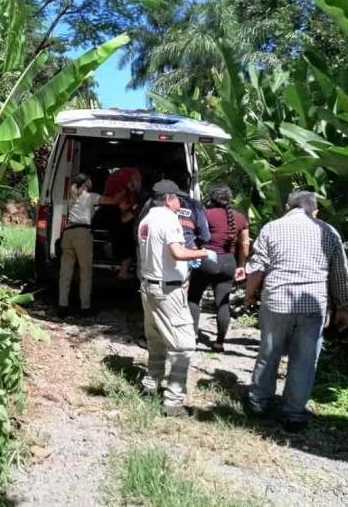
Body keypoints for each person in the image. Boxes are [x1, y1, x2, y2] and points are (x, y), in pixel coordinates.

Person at [244, 190, 348, 432]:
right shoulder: (328, 231)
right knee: (304, 360)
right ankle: (293, 414)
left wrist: (249, 294)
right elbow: (340, 274)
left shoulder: (272, 228)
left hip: (276, 302)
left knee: (268, 353)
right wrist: (344, 306)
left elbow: (257, 268)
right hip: (313, 304)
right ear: (315, 210)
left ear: (287, 207)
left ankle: (259, 404)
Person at [136, 179, 217, 416]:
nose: (180, 203)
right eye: (178, 199)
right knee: (183, 345)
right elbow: (177, 252)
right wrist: (203, 253)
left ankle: (150, 386)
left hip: (148, 287)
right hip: (167, 290)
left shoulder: (147, 219)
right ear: (169, 199)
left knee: (156, 340)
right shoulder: (169, 218)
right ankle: (173, 401)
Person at [188, 185, 250, 352]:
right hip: (228, 262)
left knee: (194, 298)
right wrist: (241, 265)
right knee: (222, 303)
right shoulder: (240, 218)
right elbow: (244, 244)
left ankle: (192, 337)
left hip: (206, 259)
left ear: (212, 198)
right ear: (230, 199)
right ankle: (219, 342)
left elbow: (194, 236)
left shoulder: (205, 214)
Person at [58, 173, 126, 317]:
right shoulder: (90, 197)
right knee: (85, 272)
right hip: (82, 234)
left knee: (65, 273)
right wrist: (126, 189)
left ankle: (62, 306)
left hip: (68, 234)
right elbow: (114, 200)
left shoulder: (72, 197)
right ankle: (85, 307)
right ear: (86, 183)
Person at [102, 168, 143, 279]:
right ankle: (123, 272)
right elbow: (123, 209)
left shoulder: (114, 177)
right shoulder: (132, 175)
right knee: (127, 243)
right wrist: (136, 210)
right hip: (118, 215)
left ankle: (122, 269)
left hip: (109, 210)